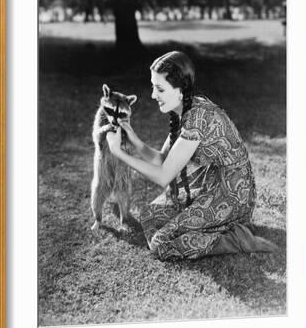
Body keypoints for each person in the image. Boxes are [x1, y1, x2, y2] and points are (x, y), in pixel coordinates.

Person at [106, 50, 277, 261]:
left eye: (159, 88)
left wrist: (118, 152)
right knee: (148, 215)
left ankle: (235, 238)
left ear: (180, 90)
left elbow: (163, 176)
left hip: (232, 195)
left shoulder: (198, 119)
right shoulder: (184, 108)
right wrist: (133, 138)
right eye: (153, 86)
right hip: (210, 185)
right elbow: (163, 160)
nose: (152, 95)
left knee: (160, 245)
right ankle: (203, 228)